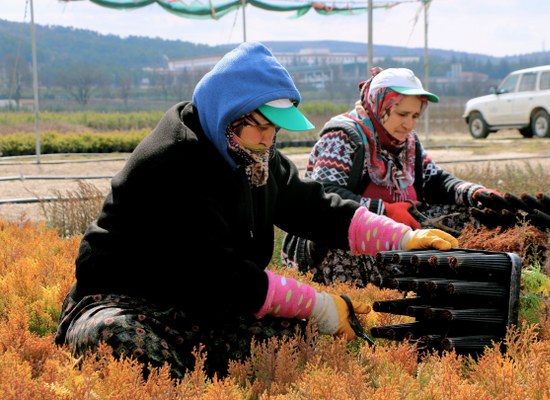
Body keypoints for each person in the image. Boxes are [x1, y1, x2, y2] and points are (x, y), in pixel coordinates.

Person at [54, 43, 458, 380]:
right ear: (229, 113)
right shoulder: (173, 162)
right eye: (260, 127)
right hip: (124, 300)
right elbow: (221, 274)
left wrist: (403, 237)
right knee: (117, 340)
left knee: (292, 338)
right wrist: (319, 304)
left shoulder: (251, 154)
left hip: (200, 303)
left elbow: (315, 207)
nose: (268, 140)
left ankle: (201, 373)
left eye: (274, 130)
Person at [282, 66, 502, 287]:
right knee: (348, 242)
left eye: (415, 115)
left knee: (471, 213)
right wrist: (384, 210)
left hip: (398, 232)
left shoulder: (408, 142)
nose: (409, 123)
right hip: (340, 238)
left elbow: (436, 181)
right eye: (402, 114)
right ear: (380, 106)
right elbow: (325, 196)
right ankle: (372, 294)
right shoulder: (343, 137)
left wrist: (475, 193)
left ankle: (459, 279)